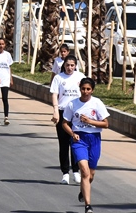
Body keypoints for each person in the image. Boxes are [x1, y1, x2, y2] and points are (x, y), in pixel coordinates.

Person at [62, 78, 110, 213]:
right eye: (83, 89)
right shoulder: (72, 104)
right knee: (84, 170)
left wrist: (90, 121)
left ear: (92, 90)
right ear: (80, 89)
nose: (85, 92)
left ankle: (83, 191)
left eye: (88, 89)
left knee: (91, 175)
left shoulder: (97, 103)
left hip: (94, 139)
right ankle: (88, 206)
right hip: (79, 139)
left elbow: (106, 124)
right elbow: (64, 123)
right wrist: (72, 134)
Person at [51, 54, 86, 185]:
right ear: (63, 65)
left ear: (75, 66)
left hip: (77, 114)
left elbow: (85, 94)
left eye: (72, 65)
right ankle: (65, 173)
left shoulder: (80, 77)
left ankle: (76, 171)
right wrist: (55, 111)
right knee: (64, 143)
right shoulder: (59, 78)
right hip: (63, 112)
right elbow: (55, 94)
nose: (70, 68)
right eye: (67, 65)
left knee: (76, 143)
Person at [0, 37, 14, 126]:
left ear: (5, 45)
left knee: (5, 98)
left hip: (5, 79)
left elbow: (9, 67)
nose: (1, 46)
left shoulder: (7, 55)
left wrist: (11, 78)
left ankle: (6, 117)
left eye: (2, 44)